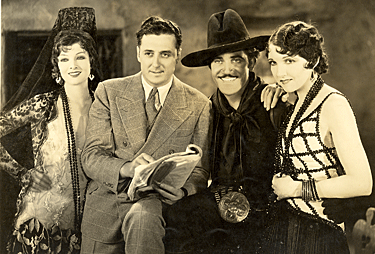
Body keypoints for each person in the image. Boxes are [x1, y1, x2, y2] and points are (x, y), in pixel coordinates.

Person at [80, 16, 211, 254]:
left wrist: (183, 191)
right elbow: (91, 157)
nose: (156, 63)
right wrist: (128, 167)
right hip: (105, 211)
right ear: (139, 53)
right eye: (149, 53)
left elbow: (201, 170)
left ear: (177, 55)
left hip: (158, 213)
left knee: (145, 217)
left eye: (165, 54)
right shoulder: (109, 92)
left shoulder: (199, 104)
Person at [163, 9, 288, 253]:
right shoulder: (206, 110)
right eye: (218, 60)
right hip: (220, 207)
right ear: (210, 67)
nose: (226, 69)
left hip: (267, 212)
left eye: (236, 59)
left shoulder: (274, 104)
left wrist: (283, 91)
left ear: (251, 62)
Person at [259, 21, 372, 254]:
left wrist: (296, 189)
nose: (279, 72)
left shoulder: (334, 104)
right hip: (285, 229)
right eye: (273, 62)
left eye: (289, 60)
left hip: (319, 235)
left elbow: (362, 182)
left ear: (312, 61)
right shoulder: (294, 100)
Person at [0, 7, 101, 254]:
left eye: (80, 57)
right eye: (64, 58)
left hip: (93, 220)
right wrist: (23, 174)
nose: (72, 65)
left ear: (92, 62)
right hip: (40, 224)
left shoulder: (106, 104)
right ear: (56, 66)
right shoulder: (42, 104)